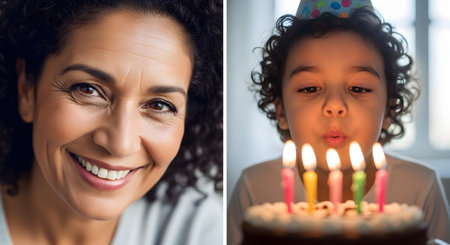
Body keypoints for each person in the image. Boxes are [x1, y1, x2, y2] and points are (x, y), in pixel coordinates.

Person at [0, 0, 223, 244]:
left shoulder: (201, 230)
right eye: (88, 90)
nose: (120, 144)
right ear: (26, 90)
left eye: (159, 105)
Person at [227, 0, 450, 244]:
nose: (334, 105)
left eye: (358, 88)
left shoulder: (420, 187)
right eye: (310, 88)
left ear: (389, 108)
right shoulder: (255, 189)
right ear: (280, 109)